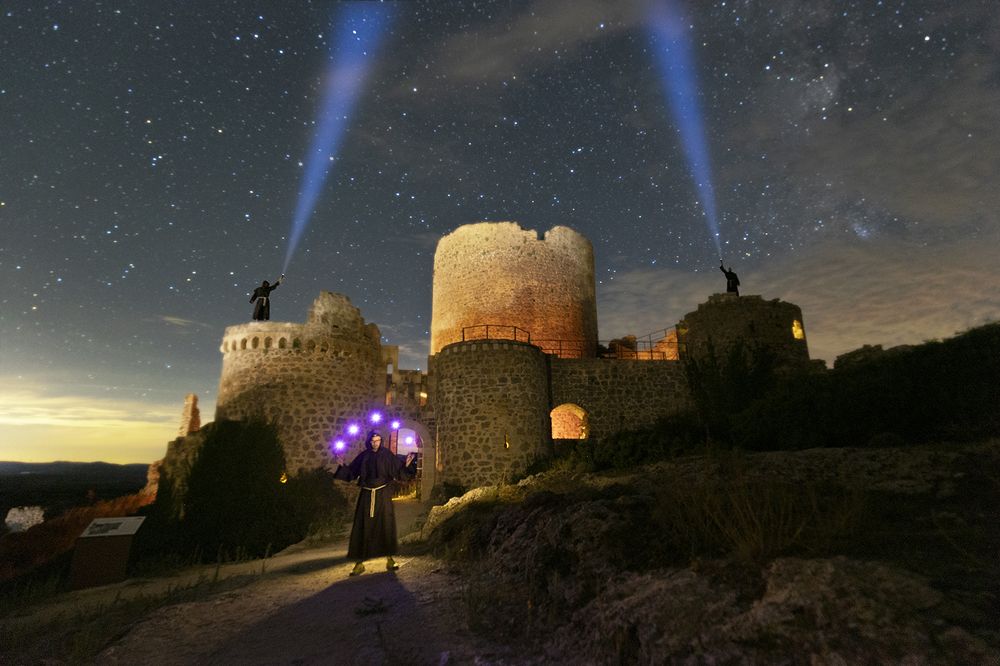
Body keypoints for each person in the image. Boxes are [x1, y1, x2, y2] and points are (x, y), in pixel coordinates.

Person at [334, 430, 416, 576]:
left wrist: (407, 464)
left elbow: (399, 472)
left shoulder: (387, 455)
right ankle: (359, 563)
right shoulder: (364, 456)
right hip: (366, 494)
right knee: (362, 526)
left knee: (385, 524)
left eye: (378, 440)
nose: (375, 443)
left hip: (383, 494)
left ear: (381, 441)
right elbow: (352, 472)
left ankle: (390, 559)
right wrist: (342, 466)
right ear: (369, 441)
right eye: (373, 441)